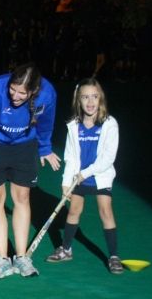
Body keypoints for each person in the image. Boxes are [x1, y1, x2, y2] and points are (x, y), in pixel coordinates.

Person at [0, 63, 60, 278]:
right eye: (12, 90)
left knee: (22, 197)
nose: (15, 96)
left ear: (34, 91)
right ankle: (2, 259)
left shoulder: (47, 94)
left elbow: (45, 123)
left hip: (24, 145)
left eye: (22, 93)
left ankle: (22, 257)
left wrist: (45, 148)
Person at [47, 78, 123, 274]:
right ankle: (66, 249)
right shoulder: (74, 125)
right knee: (73, 211)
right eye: (85, 97)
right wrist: (66, 182)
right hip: (78, 177)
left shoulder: (109, 124)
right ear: (78, 101)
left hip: (100, 176)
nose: (90, 102)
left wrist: (85, 173)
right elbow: (71, 156)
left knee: (105, 211)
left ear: (101, 99)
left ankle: (113, 256)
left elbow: (108, 158)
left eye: (94, 97)